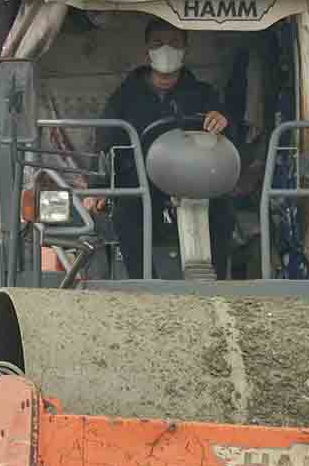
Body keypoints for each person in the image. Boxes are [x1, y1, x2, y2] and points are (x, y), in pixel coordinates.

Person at [97, 18, 236, 280]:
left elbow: (230, 137)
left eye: (174, 43)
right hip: (141, 178)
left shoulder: (204, 94)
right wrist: (99, 187)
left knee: (223, 208)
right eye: (158, 43)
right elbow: (105, 141)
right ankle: (143, 283)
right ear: (146, 50)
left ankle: (216, 279)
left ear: (185, 49)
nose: (166, 50)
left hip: (195, 175)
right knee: (126, 211)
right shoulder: (125, 97)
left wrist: (222, 121)